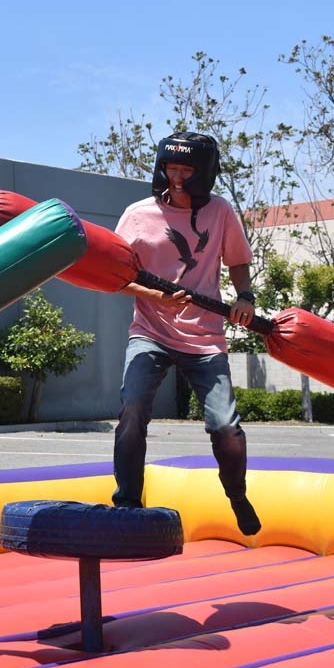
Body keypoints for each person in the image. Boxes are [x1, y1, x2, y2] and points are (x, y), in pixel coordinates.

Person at [111, 132, 262, 536]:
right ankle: (127, 504)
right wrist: (153, 296)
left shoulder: (220, 211)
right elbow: (115, 275)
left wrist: (245, 297)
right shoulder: (137, 214)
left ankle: (237, 495)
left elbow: (238, 260)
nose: (176, 178)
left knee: (225, 426)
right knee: (132, 411)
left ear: (204, 174)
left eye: (185, 170)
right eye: (170, 168)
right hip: (149, 332)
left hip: (205, 337)